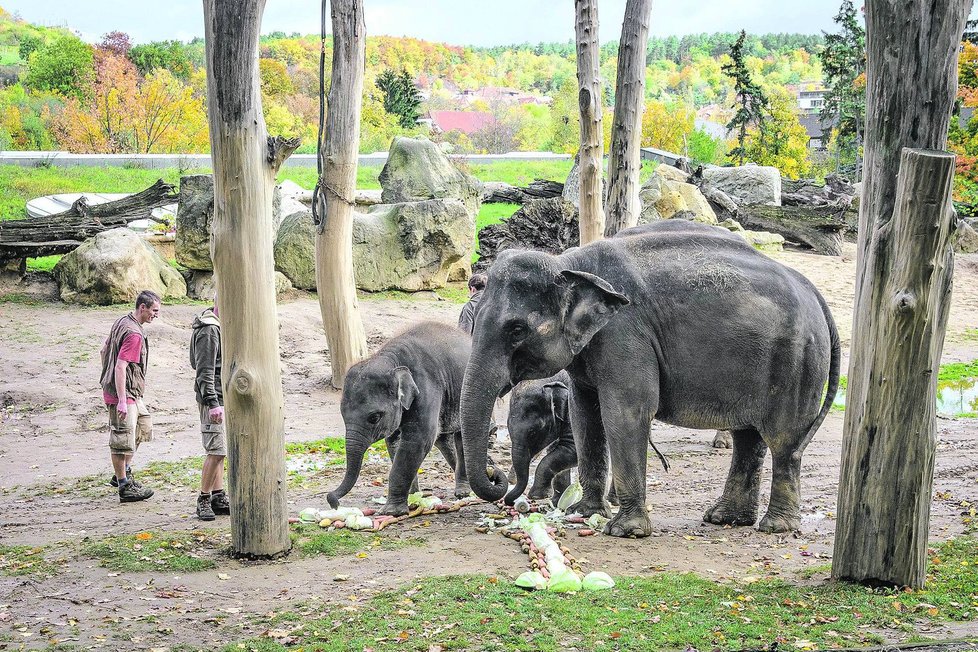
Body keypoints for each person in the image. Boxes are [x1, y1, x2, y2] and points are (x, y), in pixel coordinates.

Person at [99, 290, 160, 503]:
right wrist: (122, 399)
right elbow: (121, 366)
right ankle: (124, 486)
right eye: (154, 310)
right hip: (123, 394)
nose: (156, 315)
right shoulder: (134, 333)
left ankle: (122, 472)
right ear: (142, 308)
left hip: (130, 391)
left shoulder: (122, 321)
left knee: (144, 427)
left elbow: (103, 349)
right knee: (121, 439)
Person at [190, 300, 229, 521]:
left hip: (220, 397)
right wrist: (212, 402)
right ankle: (203, 499)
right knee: (216, 451)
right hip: (213, 400)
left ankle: (217, 496)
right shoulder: (209, 329)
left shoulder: (215, 326)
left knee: (220, 450)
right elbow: (203, 370)